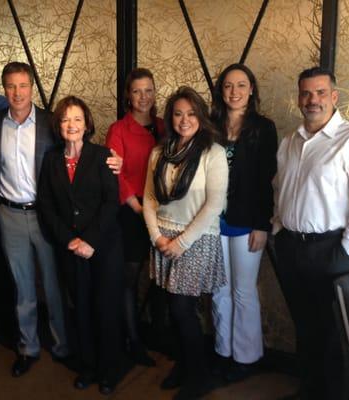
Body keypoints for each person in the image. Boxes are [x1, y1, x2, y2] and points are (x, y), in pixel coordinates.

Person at [0, 62, 122, 377]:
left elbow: (82, 157)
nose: (17, 92)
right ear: (3, 89)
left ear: (32, 87)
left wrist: (116, 161)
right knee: (23, 288)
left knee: (54, 285)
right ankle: (28, 347)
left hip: (48, 217)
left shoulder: (50, 121)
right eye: (10, 86)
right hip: (10, 213)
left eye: (23, 85)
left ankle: (63, 347)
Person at [272, 67, 349, 400]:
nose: (313, 100)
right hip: (293, 247)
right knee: (306, 328)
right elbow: (279, 188)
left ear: (334, 97)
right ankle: (308, 391)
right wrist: (278, 229)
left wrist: (347, 252)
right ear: (298, 98)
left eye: (321, 93)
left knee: (335, 334)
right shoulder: (289, 141)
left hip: (332, 250)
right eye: (307, 93)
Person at [143, 86, 228, 399]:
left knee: (182, 310)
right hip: (162, 237)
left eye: (191, 113)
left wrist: (181, 242)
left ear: (201, 117)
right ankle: (184, 365)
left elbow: (214, 205)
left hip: (196, 240)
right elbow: (149, 198)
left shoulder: (213, 153)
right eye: (178, 113)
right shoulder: (159, 152)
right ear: (170, 117)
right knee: (170, 308)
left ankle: (198, 376)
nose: (184, 120)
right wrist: (157, 237)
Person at [37, 96, 124, 395]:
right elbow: (46, 206)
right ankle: (88, 367)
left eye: (77, 119)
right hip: (71, 248)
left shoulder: (103, 156)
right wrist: (69, 239)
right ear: (58, 125)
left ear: (86, 123)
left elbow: (111, 203)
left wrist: (91, 241)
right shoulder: (51, 160)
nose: (71, 125)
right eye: (65, 119)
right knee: (81, 309)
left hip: (103, 249)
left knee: (106, 308)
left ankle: (110, 371)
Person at [209, 64, 277, 381]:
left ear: (251, 89)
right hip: (213, 220)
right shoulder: (210, 126)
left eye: (241, 85)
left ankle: (246, 357)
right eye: (227, 86)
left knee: (243, 291)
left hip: (247, 222)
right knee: (219, 291)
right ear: (220, 91)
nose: (234, 92)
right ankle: (223, 351)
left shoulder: (264, 128)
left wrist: (262, 224)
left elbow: (266, 180)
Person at [105, 68, 164, 367]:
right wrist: (141, 211)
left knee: (163, 279)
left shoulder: (165, 126)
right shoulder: (119, 129)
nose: (143, 97)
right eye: (137, 91)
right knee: (129, 280)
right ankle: (133, 340)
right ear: (128, 95)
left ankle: (161, 335)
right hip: (132, 213)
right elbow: (116, 176)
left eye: (149, 90)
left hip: (163, 212)